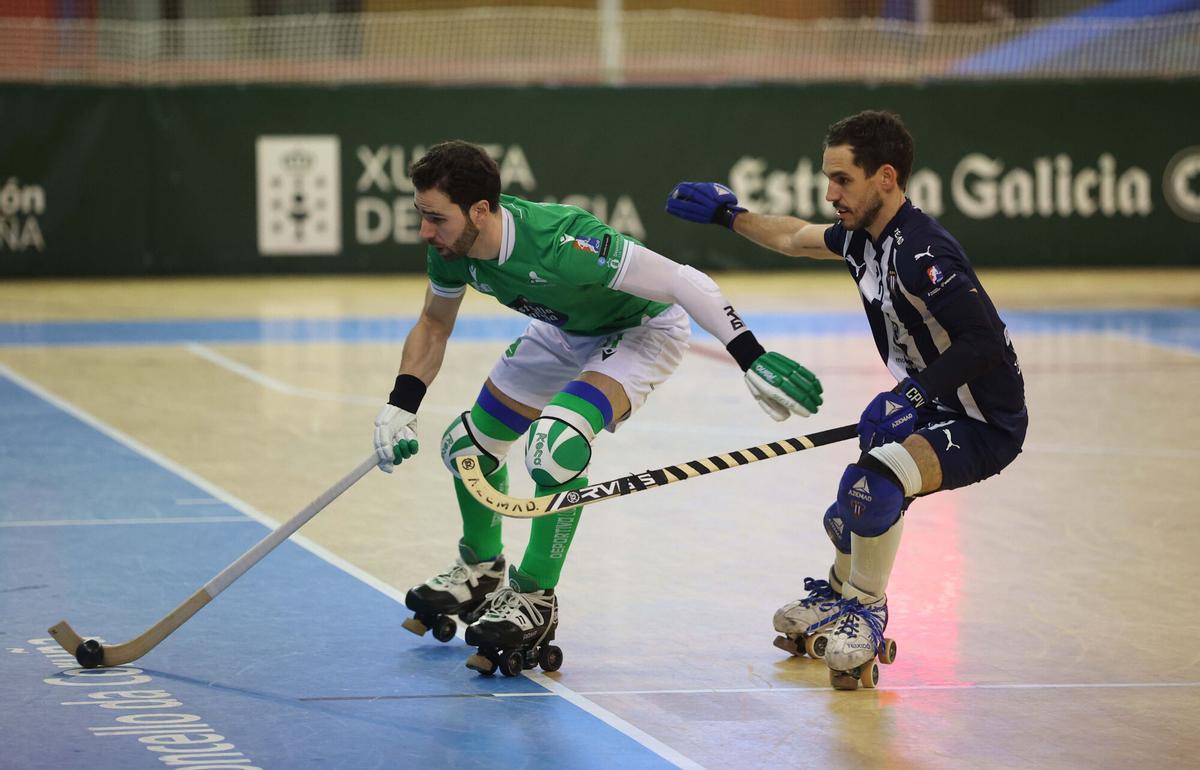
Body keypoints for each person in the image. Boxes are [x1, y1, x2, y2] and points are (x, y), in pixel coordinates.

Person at [373, 140, 824, 676]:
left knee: (554, 445)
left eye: (435, 218)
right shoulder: (450, 248)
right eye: (421, 216)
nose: (425, 232)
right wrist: (401, 403)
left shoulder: (561, 239)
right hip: (563, 331)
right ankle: (480, 569)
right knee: (465, 447)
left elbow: (682, 280)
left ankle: (534, 595)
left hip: (640, 331)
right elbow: (433, 324)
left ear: (480, 211)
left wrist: (750, 355)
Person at [665, 110, 1027, 689]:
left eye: (842, 180)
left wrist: (911, 394)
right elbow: (793, 237)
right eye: (828, 179)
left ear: (885, 177)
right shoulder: (863, 240)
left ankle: (866, 612)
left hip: (983, 421)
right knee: (847, 514)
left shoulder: (922, 253)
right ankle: (838, 595)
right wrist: (729, 215)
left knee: (873, 486)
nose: (831, 194)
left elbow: (981, 341)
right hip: (931, 405)